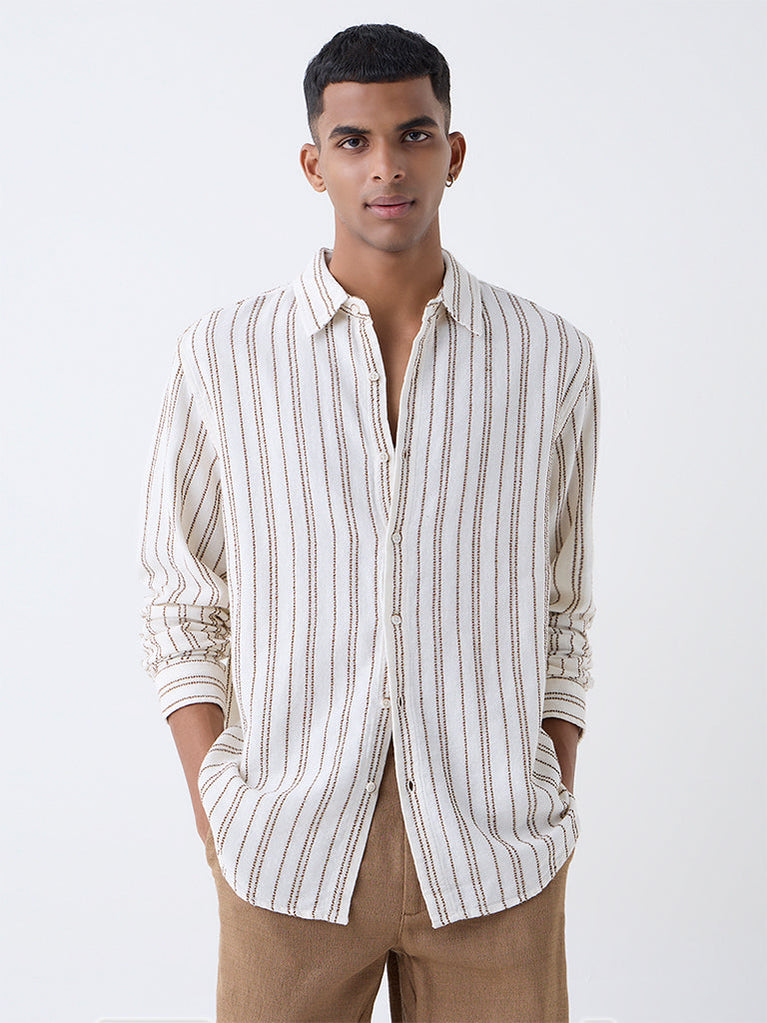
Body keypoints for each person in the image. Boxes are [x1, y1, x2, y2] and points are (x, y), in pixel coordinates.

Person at [138, 21, 600, 1023]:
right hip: (286, 854)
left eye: (413, 134)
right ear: (314, 164)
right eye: (352, 141)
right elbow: (181, 601)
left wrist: (545, 783)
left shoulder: (547, 356)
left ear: (453, 152)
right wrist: (220, 809)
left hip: (494, 855)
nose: (385, 166)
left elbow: (563, 603)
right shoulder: (224, 356)